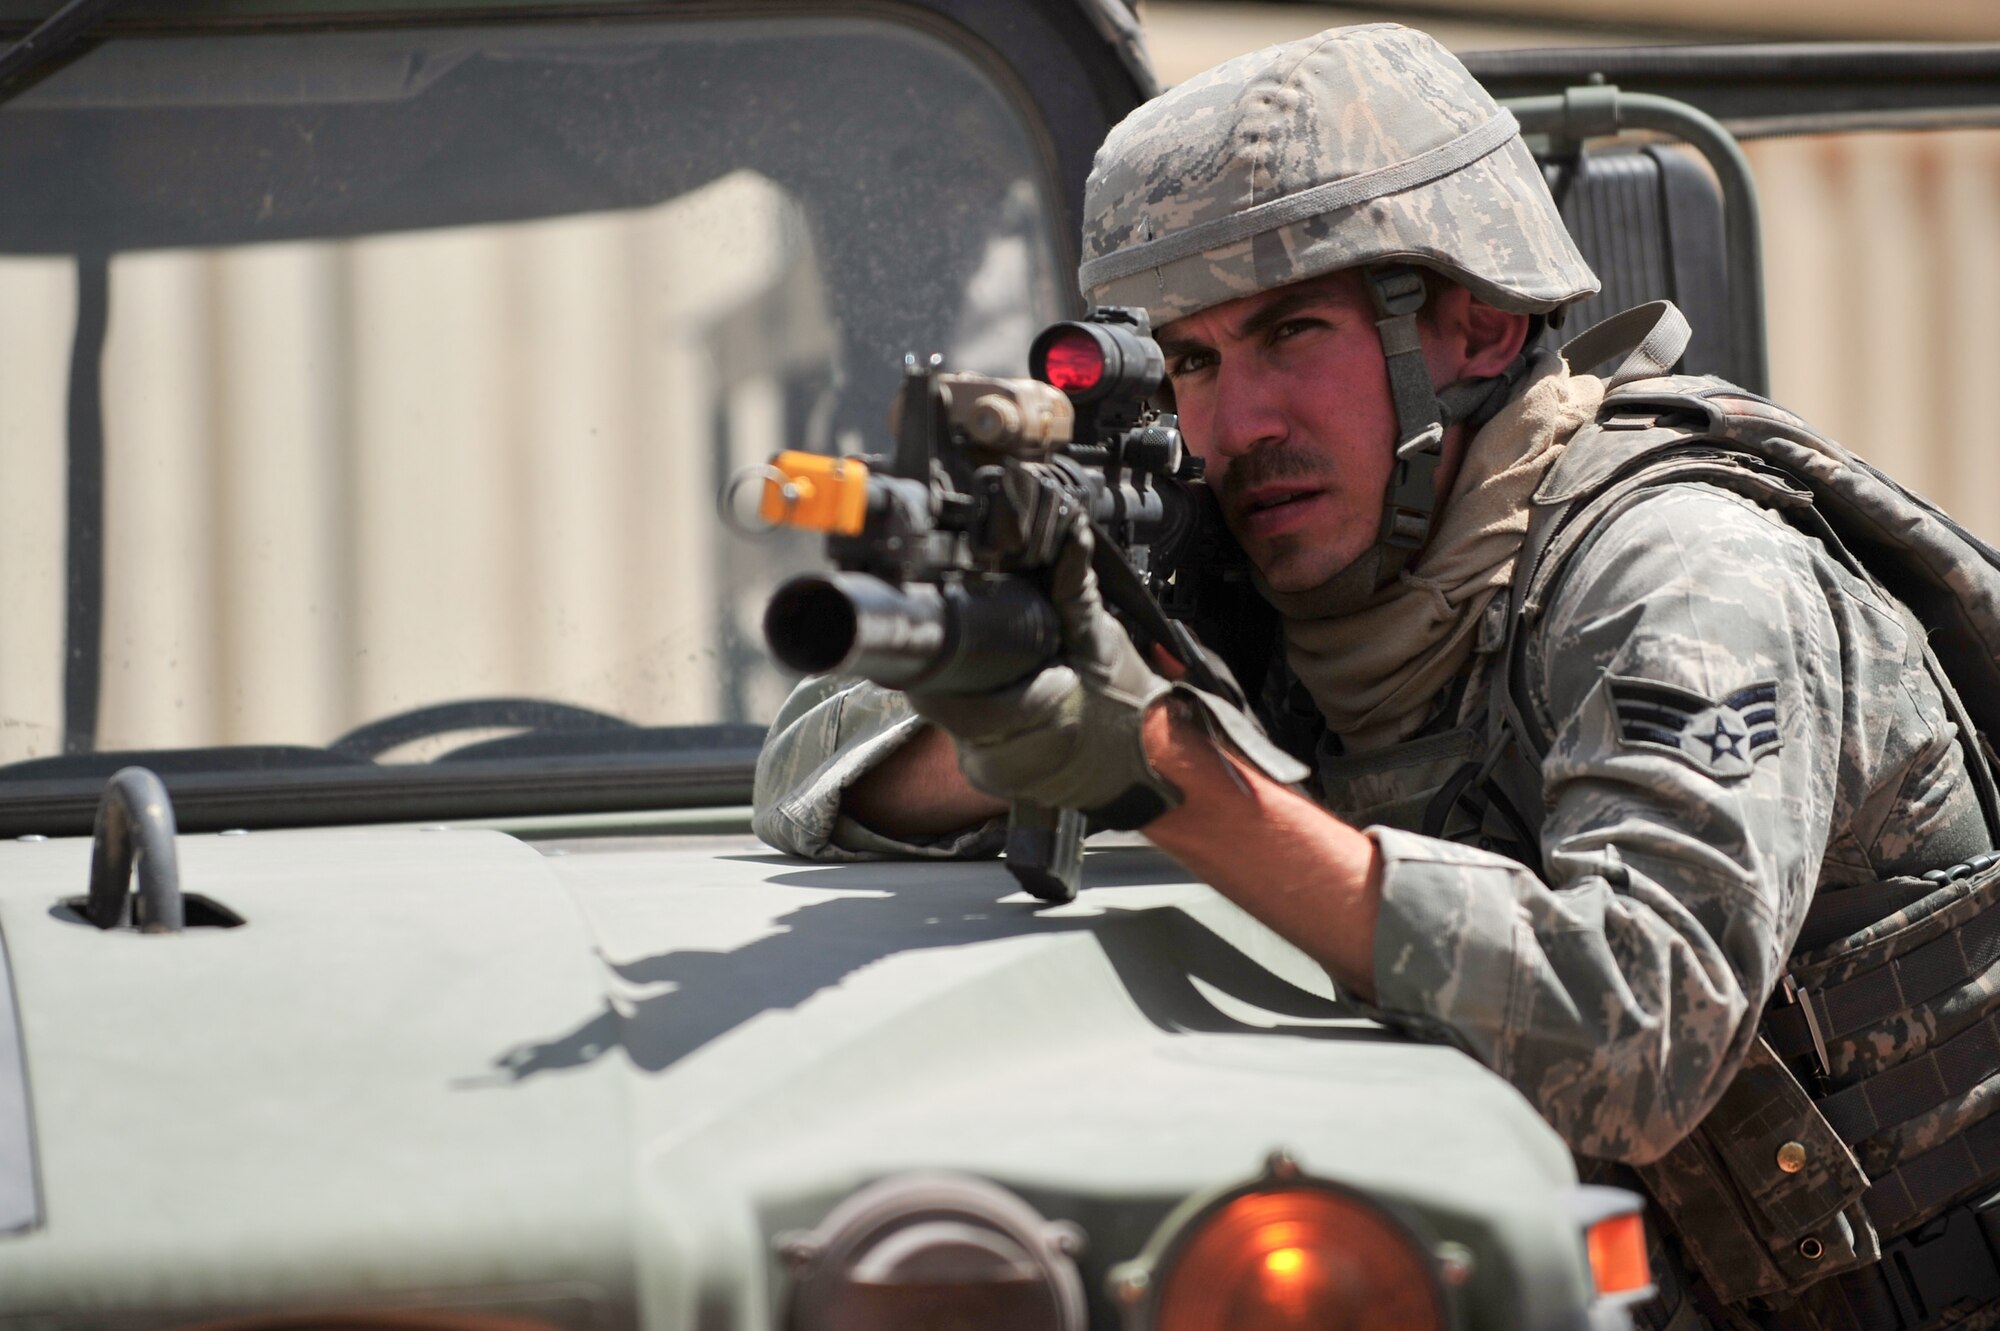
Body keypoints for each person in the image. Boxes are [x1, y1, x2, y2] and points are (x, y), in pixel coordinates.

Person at [754, 23, 1999, 1329]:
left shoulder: (1682, 573)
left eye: (1292, 332)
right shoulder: (1296, 567)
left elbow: (1634, 1038)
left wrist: (1167, 772)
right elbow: (803, 772)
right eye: (1193, 360)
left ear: (1475, 324)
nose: (1237, 426)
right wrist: (1022, 722)